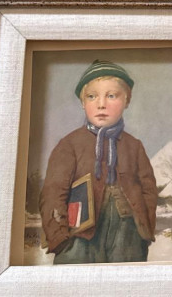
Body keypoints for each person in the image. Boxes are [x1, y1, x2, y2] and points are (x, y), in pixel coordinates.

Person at [39, 60, 157, 264]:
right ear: (82, 102)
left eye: (111, 96)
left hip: (128, 237)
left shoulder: (134, 146)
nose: (101, 104)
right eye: (92, 96)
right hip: (79, 237)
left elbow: (149, 191)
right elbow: (52, 194)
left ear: (127, 101)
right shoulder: (69, 145)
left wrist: (144, 232)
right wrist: (60, 238)